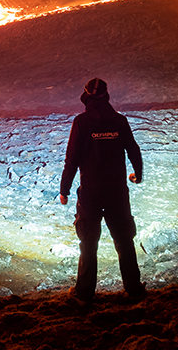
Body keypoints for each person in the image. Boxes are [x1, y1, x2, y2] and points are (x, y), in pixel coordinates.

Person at [59, 77, 145, 304]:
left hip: (91, 193)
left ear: (86, 95)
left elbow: (72, 158)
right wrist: (138, 175)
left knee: (88, 242)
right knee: (124, 239)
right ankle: (134, 289)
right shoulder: (119, 121)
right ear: (106, 96)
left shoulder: (82, 123)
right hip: (117, 191)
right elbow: (133, 150)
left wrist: (64, 189)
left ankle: (85, 293)